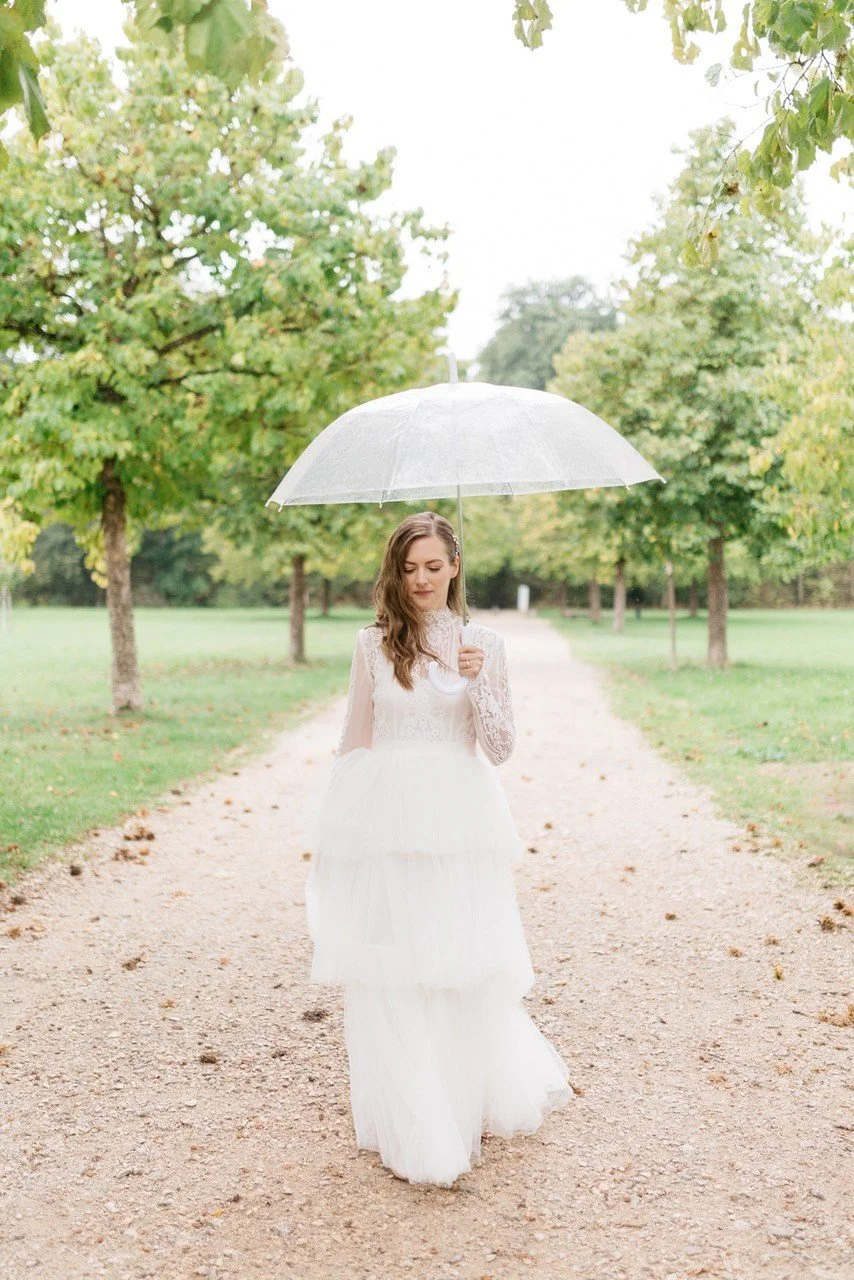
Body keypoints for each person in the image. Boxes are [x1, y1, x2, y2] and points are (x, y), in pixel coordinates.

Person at [303, 510, 572, 1188]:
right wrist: (337, 830)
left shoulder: (484, 644)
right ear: (395, 574)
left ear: (454, 567)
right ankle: (410, 1109)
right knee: (394, 962)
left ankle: (457, 1095)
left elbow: (501, 748)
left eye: (432, 566)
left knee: (455, 958)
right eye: (408, 568)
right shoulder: (373, 643)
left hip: (458, 819)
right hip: (388, 820)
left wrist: (477, 681)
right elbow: (355, 737)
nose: (420, 579)